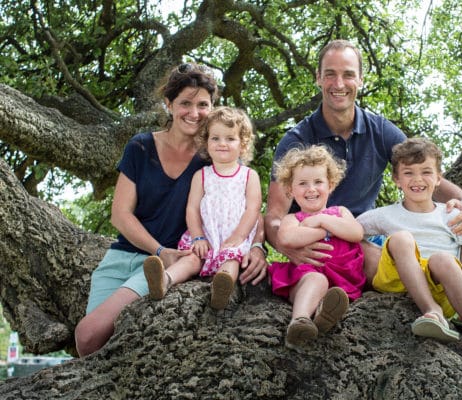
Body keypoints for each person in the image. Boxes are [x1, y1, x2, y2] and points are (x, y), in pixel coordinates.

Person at [264, 39, 462, 339]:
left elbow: (420, 168)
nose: (339, 83)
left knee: (458, 230)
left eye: (348, 74)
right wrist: (289, 247)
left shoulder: (379, 129)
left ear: (360, 79)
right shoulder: (297, 139)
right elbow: (274, 215)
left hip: (361, 231)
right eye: (330, 74)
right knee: (375, 255)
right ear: (318, 78)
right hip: (325, 241)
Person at [74, 64, 268, 357]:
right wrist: (159, 249)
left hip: (168, 264)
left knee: (89, 334)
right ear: (169, 104)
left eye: (203, 104)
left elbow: (250, 205)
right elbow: (120, 215)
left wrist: (256, 246)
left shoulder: (213, 158)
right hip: (123, 256)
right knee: (88, 347)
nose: (194, 112)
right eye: (185, 103)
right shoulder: (140, 147)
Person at [356, 137, 462, 374]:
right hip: (396, 280)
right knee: (402, 238)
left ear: (438, 179)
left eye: (426, 172)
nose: (417, 179)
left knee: (443, 259)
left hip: (442, 288)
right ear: (396, 180)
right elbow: (351, 232)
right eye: (408, 173)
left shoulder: (452, 216)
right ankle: (430, 310)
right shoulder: (383, 215)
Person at [143, 106, 262, 310]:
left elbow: (254, 209)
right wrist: (198, 236)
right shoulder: (202, 175)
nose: (222, 143)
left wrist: (238, 237)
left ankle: (221, 289)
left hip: (232, 237)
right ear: (206, 142)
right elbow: (192, 209)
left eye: (230, 138)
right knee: (191, 259)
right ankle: (164, 280)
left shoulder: (249, 176)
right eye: (215, 138)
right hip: (207, 235)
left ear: (242, 145)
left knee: (231, 261)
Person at [268, 145, 366, 347]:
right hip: (308, 274)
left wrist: (322, 221)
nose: (311, 189)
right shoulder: (293, 217)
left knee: (331, 295)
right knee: (316, 280)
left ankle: (323, 315)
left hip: (343, 277)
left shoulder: (340, 211)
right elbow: (287, 239)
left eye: (318, 182)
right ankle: (299, 321)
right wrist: (326, 231)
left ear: (330, 185)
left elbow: (356, 233)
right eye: (303, 183)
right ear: (290, 190)